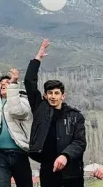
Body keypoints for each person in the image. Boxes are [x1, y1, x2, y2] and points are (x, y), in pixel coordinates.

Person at [24, 40, 86, 187]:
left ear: (63, 96)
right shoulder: (40, 108)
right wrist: (37, 58)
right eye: (49, 93)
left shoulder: (75, 116)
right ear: (45, 95)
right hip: (48, 169)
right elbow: (29, 82)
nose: (53, 96)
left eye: (56, 93)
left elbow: (80, 142)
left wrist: (65, 156)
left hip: (72, 171)